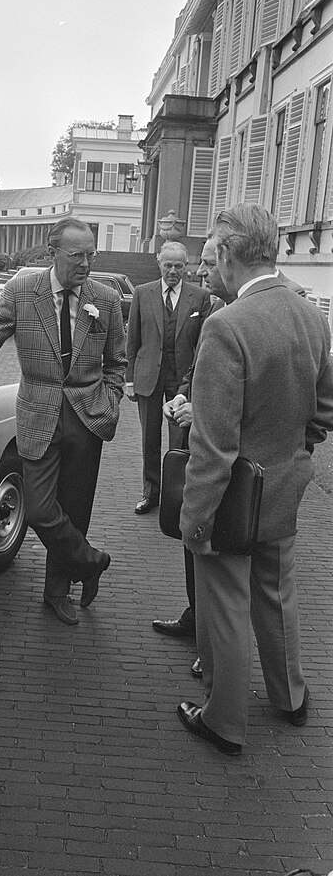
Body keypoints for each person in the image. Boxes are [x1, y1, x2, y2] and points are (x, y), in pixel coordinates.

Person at [176, 203, 333, 755]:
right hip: (285, 487)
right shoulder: (313, 315)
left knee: (226, 609)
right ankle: (290, 698)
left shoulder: (226, 326)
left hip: (233, 496)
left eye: (211, 254)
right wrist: (296, 452)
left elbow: (213, 446)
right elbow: (325, 409)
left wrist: (194, 519)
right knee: (277, 596)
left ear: (225, 253)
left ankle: (225, 722)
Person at [0, 218, 127, 625]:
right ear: (52, 254)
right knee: (38, 508)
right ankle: (92, 562)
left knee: (76, 508)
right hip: (37, 412)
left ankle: (57, 592)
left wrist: (113, 398)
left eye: (91, 255)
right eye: (77, 256)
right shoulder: (21, 291)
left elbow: (117, 361)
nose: (86, 264)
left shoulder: (105, 298)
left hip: (88, 416)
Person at [152, 237, 231, 646]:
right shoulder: (217, 307)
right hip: (198, 453)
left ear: (230, 261)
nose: (198, 273)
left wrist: (199, 412)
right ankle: (194, 619)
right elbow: (199, 369)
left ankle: (213, 647)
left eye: (206, 264)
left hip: (231, 465)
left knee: (223, 563)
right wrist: (185, 393)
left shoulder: (254, 314)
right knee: (192, 541)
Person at [126, 241, 210, 514]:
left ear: (187, 267)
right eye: (168, 265)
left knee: (180, 442)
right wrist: (129, 379)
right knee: (149, 440)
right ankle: (150, 494)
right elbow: (133, 339)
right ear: (158, 263)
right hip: (149, 376)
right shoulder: (142, 293)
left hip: (182, 380)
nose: (173, 271)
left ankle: (176, 499)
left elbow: (202, 344)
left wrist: (197, 382)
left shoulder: (199, 297)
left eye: (178, 266)